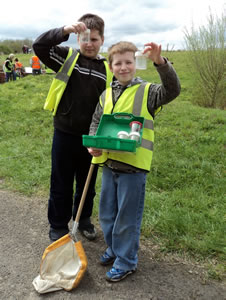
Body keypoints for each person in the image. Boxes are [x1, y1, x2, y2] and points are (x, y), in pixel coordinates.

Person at [87, 41, 181, 282]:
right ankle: (114, 248)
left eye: (129, 62)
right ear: (111, 66)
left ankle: (126, 260)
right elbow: (96, 121)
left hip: (133, 167)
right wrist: (93, 143)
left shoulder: (148, 92)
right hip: (108, 164)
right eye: (118, 63)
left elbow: (172, 90)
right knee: (107, 214)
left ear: (136, 64)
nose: (124, 67)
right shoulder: (106, 94)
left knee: (127, 219)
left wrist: (160, 63)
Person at [32, 13, 112, 242]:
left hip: (92, 138)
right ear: (77, 39)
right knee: (61, 182)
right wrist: (64, 31)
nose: (89, 44)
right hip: (64, 133)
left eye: (94, 39)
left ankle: (83, 219)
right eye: (84, 38)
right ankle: (58, 225)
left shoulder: (107, 69)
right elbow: (40, 45)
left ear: (102, 40)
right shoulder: (66, 57)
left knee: (87, 184)